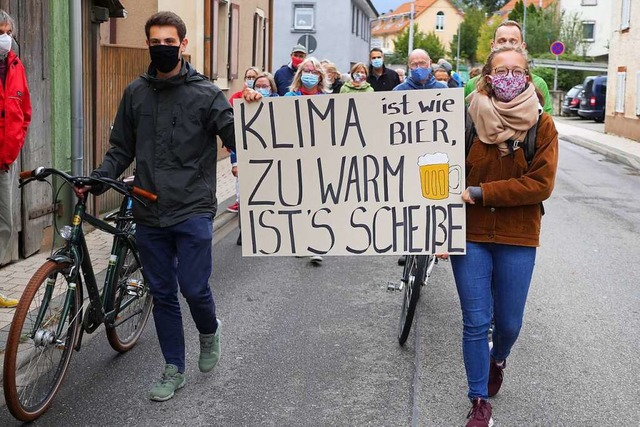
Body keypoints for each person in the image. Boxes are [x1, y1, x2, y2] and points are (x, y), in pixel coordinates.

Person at [75, 11, 238, 402]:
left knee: (194, 288)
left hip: (193, 207)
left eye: (170, 41)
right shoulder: (135, 93)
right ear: (148, 44)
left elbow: (240, 138)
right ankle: (173, 367)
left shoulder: (207, 94)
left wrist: (250, 106)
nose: (162, 48)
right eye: (155, 42)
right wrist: (101, 176)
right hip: (147, 209)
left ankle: (208, 329)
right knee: (162, 293)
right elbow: (121, 148)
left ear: (183, 45)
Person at [454, 45, 558, 427]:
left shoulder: (542, 126)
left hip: (517, 235)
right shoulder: (464, 119)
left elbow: (540, 184)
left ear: (528, 78)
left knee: (509, 323)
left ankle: (498, 358)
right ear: (487, 76)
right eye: (502, 71)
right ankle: (478, 400)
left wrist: (483, 192)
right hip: (471, 234)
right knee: (475, 322)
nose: (509, 78)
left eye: (517, 72)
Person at [0, 9, 31, 308]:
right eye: (1, 32)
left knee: (5, 224)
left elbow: (25, 112)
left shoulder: (17, 66)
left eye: (8, 32)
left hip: (5, 162)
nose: (6, 38)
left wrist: (15, 142)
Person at [464, 20, 552, 114]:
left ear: (523, 46)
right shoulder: (473, 85)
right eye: (501, 41)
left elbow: (545, 124)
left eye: (513, 41)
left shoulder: (538, 84)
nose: (507, 45)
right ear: (492, 46)